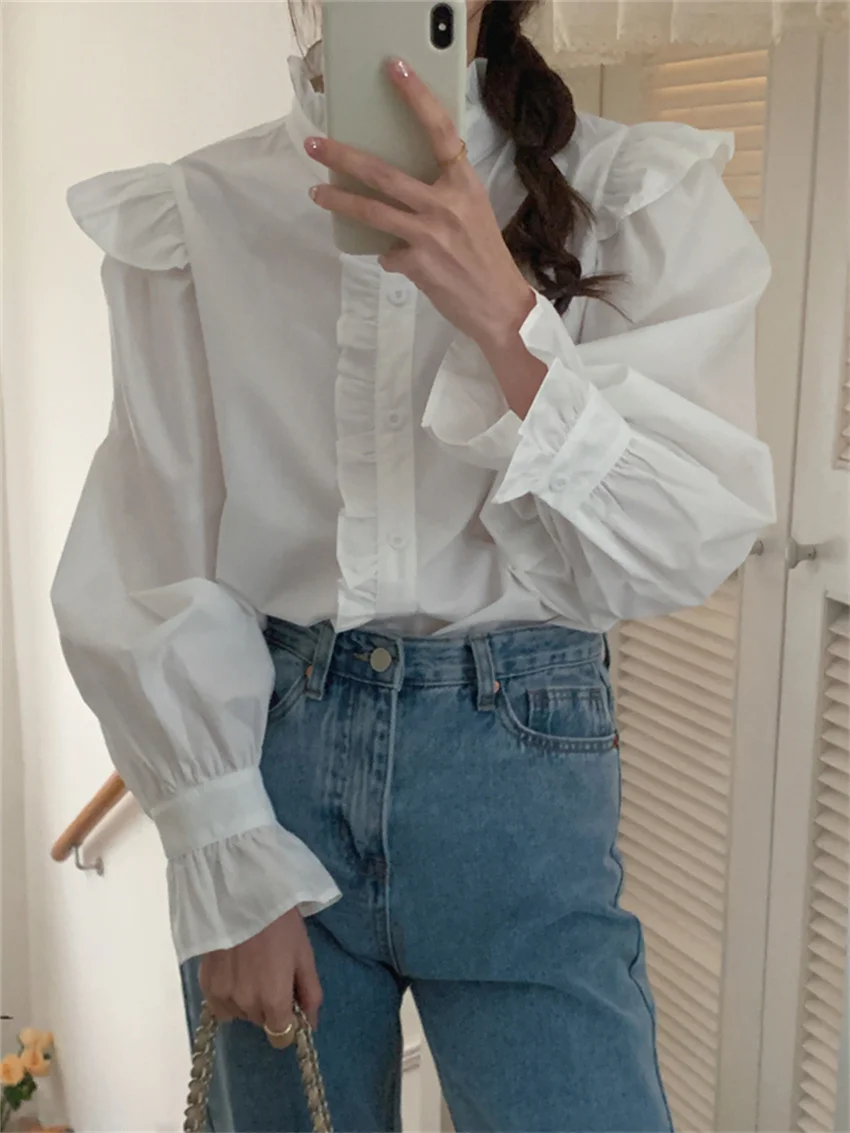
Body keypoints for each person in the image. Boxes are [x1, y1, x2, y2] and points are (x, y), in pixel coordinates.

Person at [52, 0, 776, 1129]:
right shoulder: (201, 210)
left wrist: (504, 315)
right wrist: (225, 853)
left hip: (519, 768)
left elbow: (685, 540)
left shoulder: (632, 192)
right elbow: (153, 546)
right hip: (272, 765)